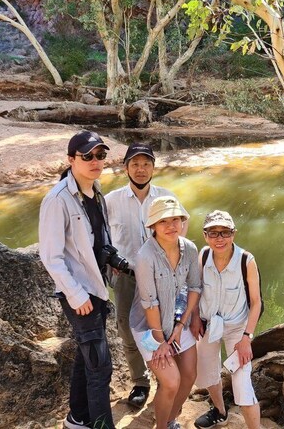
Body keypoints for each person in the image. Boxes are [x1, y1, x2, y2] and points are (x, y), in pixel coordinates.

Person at [38, 130, 115, 429]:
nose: (96, 162)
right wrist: (76, 294)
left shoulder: (96, 193)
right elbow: (51, 256)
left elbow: (99, 239)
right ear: (71, 160)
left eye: (100, 155)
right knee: (100, 367)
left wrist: (112, 260)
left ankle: (78, 418)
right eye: (88, 156)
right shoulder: (57, 200)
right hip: (80, 295)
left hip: (97, 289)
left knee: (87, 360)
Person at [105, 143, 185, 408]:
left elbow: (181, 226)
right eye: (135, 164)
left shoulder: (166, 196)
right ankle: (140, 381)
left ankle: (165, 377)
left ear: (153, 167)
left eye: (146, 164)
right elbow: (101, 237)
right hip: (126, 275)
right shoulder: (111, 201)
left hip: (161, 274)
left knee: (163, 325)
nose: (141, 169)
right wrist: (109, 260)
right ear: (125, 167)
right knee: (128, 329)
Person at [132, 196, 201, 429]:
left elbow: (194, 288)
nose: (171, 226)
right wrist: (161, 342)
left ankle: (170, 419)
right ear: (153, 226)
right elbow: (149, 303)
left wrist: (181, 326)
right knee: (171, 382)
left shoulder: (189, 248)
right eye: (163, 221)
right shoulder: (145, 256)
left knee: (190, 375)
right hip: (149, 327)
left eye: (175, 219)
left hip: (179, 317)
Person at [191, 210, 262, 429]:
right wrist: (194, 317)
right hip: (208, 325)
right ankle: (220, 412)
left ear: (234, 234)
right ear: (205, 235)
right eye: (213, 233)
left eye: (225, 232)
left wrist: (246, 337)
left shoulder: (245, 261)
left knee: (242, 386)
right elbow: (195, 289)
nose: (219, 238)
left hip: (237, 329)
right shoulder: (203, 256)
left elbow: (256, 302)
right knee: (208, 373)